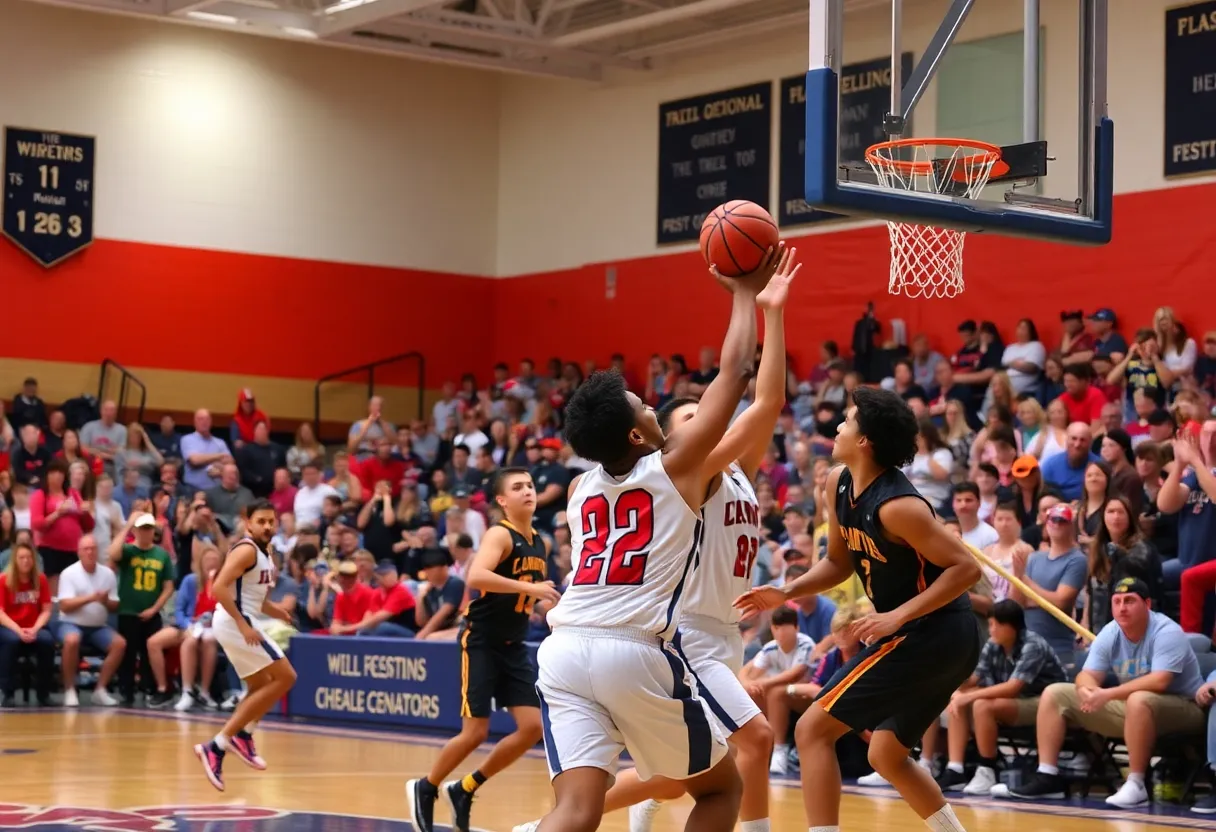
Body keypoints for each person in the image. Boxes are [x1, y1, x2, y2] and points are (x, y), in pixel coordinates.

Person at [511, 244, 789, 832]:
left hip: (563, 650)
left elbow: (759, 401)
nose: (652, 407)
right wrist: (744, 293)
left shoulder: (584, 488)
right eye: (643, 405)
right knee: (720, 790)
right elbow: (738, 374)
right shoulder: (675, 469)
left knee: (577, 809)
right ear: (639, 436)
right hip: (636, 645)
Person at [735, 387, 982, 832]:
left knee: (811, 730)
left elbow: (967, 568)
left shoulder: (900, 507)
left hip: (935, 631)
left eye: (846, 422)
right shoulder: (838, 481)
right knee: (885, 754)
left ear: (865, 440)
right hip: (927, 635)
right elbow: (836, 563)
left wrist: (898, 615)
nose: (837, 427)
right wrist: (785, 590)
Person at [409, 468, 558, 832]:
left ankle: (465, 787)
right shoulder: (499, 533)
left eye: (530, 485)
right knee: (474, 732)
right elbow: (476, 577)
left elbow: (526, 592)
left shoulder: (541, 542)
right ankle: (425, 787)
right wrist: (536, 592)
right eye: (517, 487)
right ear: (502, 500)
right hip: (480, 640)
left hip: (514, 643)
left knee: (532, 728)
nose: (528, 491)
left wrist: (550, 606)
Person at [193, 500, 297, 791]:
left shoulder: (266, 553)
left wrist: (277, 612)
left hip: (241, 618)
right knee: (286, 677)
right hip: (234, 621)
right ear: (248, 522)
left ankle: (242, 735)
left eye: (271, 521)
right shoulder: (247, 549)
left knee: (261, 684)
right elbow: (218, 588)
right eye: (261, 521)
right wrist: (243, 624)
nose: (267, 526)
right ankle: (222, 742)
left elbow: (256, 597)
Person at [939, 599, 1067, 795]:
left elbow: (1013, 688)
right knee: (958, 698)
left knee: (981, 705)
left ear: (1011, 626)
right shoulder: (993, 644)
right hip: (1018, 701)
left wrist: (968, 696)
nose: (991, 629)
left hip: (1045, 703)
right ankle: (955, 769)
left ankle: (987, 769)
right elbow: (975, 678)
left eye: (995, 624)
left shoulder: (1033, 645)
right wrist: (955, 682)